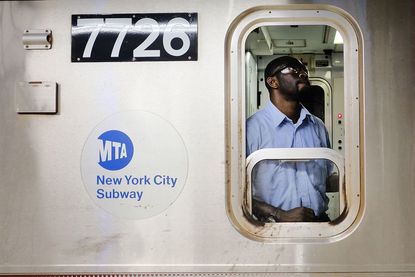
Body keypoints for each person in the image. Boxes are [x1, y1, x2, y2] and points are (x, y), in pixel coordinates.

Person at [246, 56, 332, 222]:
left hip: (321, 224)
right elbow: (234, 191)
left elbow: (328, 177)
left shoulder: (318, 126)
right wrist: (279, 214)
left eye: (304, 71)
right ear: (273, 82)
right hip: (273, 228)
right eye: (294, 70)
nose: (303, 74)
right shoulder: (252, 129)